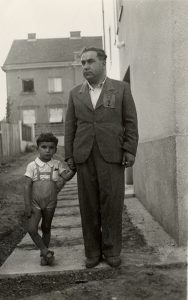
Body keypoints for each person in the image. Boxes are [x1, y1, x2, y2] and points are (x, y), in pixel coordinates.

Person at [64, 47, 138, 268]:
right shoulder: (75, 93)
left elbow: (131, 122)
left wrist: (130, 149)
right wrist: (69, 155)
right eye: (82, 63)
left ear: (103, 63)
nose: (85, 67)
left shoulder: (121, 89)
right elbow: (70, 126)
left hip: (112, 155)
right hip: (84, 156)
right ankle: (93, 253)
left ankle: (112, 251)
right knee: (88, 206)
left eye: (89, 62)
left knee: (112, 204)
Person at [24, 133, 75, 266]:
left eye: (51, 147)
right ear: (38, 148)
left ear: (55, 150)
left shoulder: (57, 164)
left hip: (50, 203)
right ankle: (45, 250)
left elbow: (67, 176)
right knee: (32, 229)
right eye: (44, 147)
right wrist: (27, 205)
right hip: (35, 203)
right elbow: (27, 186)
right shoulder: (32, 166)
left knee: (46, 227)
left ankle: (44, 256)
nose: (47, 150)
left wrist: (74, 168)